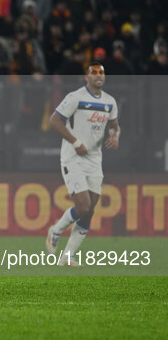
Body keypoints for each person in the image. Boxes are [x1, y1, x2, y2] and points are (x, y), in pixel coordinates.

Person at [46, 62, 120, 265]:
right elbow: (54, 121)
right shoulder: (75, 97)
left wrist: (115, 136)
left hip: (95, 160)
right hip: (73, 156)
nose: (98, 76)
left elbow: (114, 126)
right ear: (86, 77)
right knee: (84, 205)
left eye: (101, 73)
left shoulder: (110, 102)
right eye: (94, 73)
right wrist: (75, 142)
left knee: (89, 210)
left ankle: (67, 256)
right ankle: (56, 230)